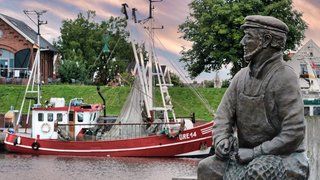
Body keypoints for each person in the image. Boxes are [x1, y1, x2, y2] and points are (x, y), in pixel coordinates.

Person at [197, 15, 309, 180]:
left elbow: (294, 132)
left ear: (266, 40)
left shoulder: (285, 77)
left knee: (259, 173)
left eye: (248, 36)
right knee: (207, 168)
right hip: (243, 155)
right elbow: (222, 118)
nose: (242, 42)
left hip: (286, 157)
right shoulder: (240, 77)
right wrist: (221, 139)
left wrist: (255, 152)